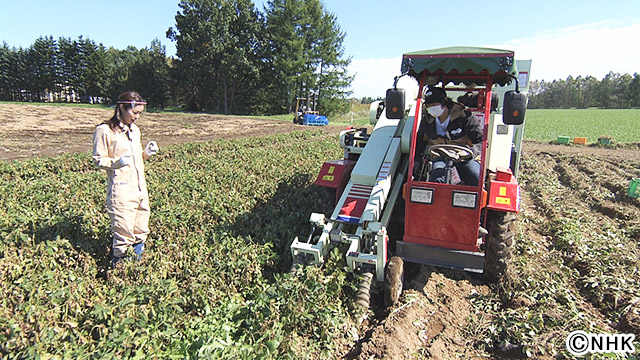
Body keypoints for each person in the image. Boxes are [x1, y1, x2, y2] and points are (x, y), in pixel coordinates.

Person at [92, 91, 159, 267]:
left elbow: (136, 159)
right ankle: (120, 271)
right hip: (121, 190)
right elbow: (98, 160)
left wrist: (146, 154)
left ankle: (136, 268)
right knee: (123, 235)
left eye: (140, 114)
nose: (137, 117)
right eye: (134, 113)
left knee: (140, 230)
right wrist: (116, 162)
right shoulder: (104, 130)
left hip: (139, 188)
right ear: (121, 107)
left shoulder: (135, 130)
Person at [417, 87, 483, 186]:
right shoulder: (427, 120)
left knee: (475, 174)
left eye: (435, 105)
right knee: (437, 177)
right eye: (429, 106)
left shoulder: (465, 117)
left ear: (444, 102)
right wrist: (416, 160)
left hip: (464, 158)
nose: (432, 108)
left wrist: (472, 153)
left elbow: (480, 140)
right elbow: (420, 141)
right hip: (440, 157)